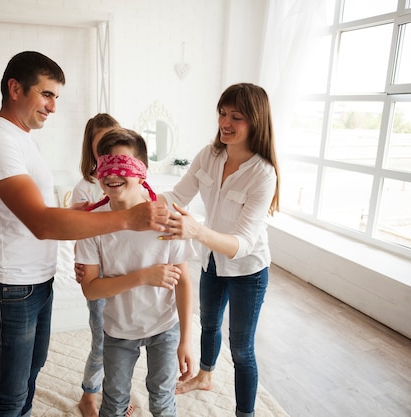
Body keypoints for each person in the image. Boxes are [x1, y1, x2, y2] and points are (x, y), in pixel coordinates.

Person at [0, 51, 169, 417]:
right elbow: (41, 223)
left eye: (56, 97)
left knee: (28, 377)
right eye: (46, 94)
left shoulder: (22, 139)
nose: (53, 107)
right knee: (7, 394)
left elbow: (44, 211)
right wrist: (127, 220)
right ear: (15, 88)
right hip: (9, 287)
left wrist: (84, 213)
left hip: (36, 282)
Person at [158, 83, 280, 417]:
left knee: (242, 350)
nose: (225, 122)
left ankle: (246, 414)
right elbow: (176, 196)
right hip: (212, 263)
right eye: (222, 114)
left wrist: (196, 229)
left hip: (248, 272)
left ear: (256, 121)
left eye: (236, 117)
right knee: (208, 326)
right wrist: (133, 196)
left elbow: (242, 244)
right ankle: (205, 376)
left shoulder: (263, 174)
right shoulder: (208, 156)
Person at [76, 127, 196, 417]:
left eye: (122, 165)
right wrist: (143, 277)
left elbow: (183, 283)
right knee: (114, 401)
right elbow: (90, 288)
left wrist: (186, 340)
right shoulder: (92, 223)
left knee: (163, 397)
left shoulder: (169, 219)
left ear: (142, 172)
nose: (112, 173)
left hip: (165, 327)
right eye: (104, 164)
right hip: (118, 329)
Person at [71, 113, 132, 417]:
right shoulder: (85, 187)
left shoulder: (130, 180)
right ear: (91, 150)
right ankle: (88, 394)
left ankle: (117, 394)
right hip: (99, 277)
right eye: (101, 146)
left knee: (126, 340)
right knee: (103, 341)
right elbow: (79, 232)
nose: (109, 151)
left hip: (127, 274)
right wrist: (80, 261)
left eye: (113, 143)